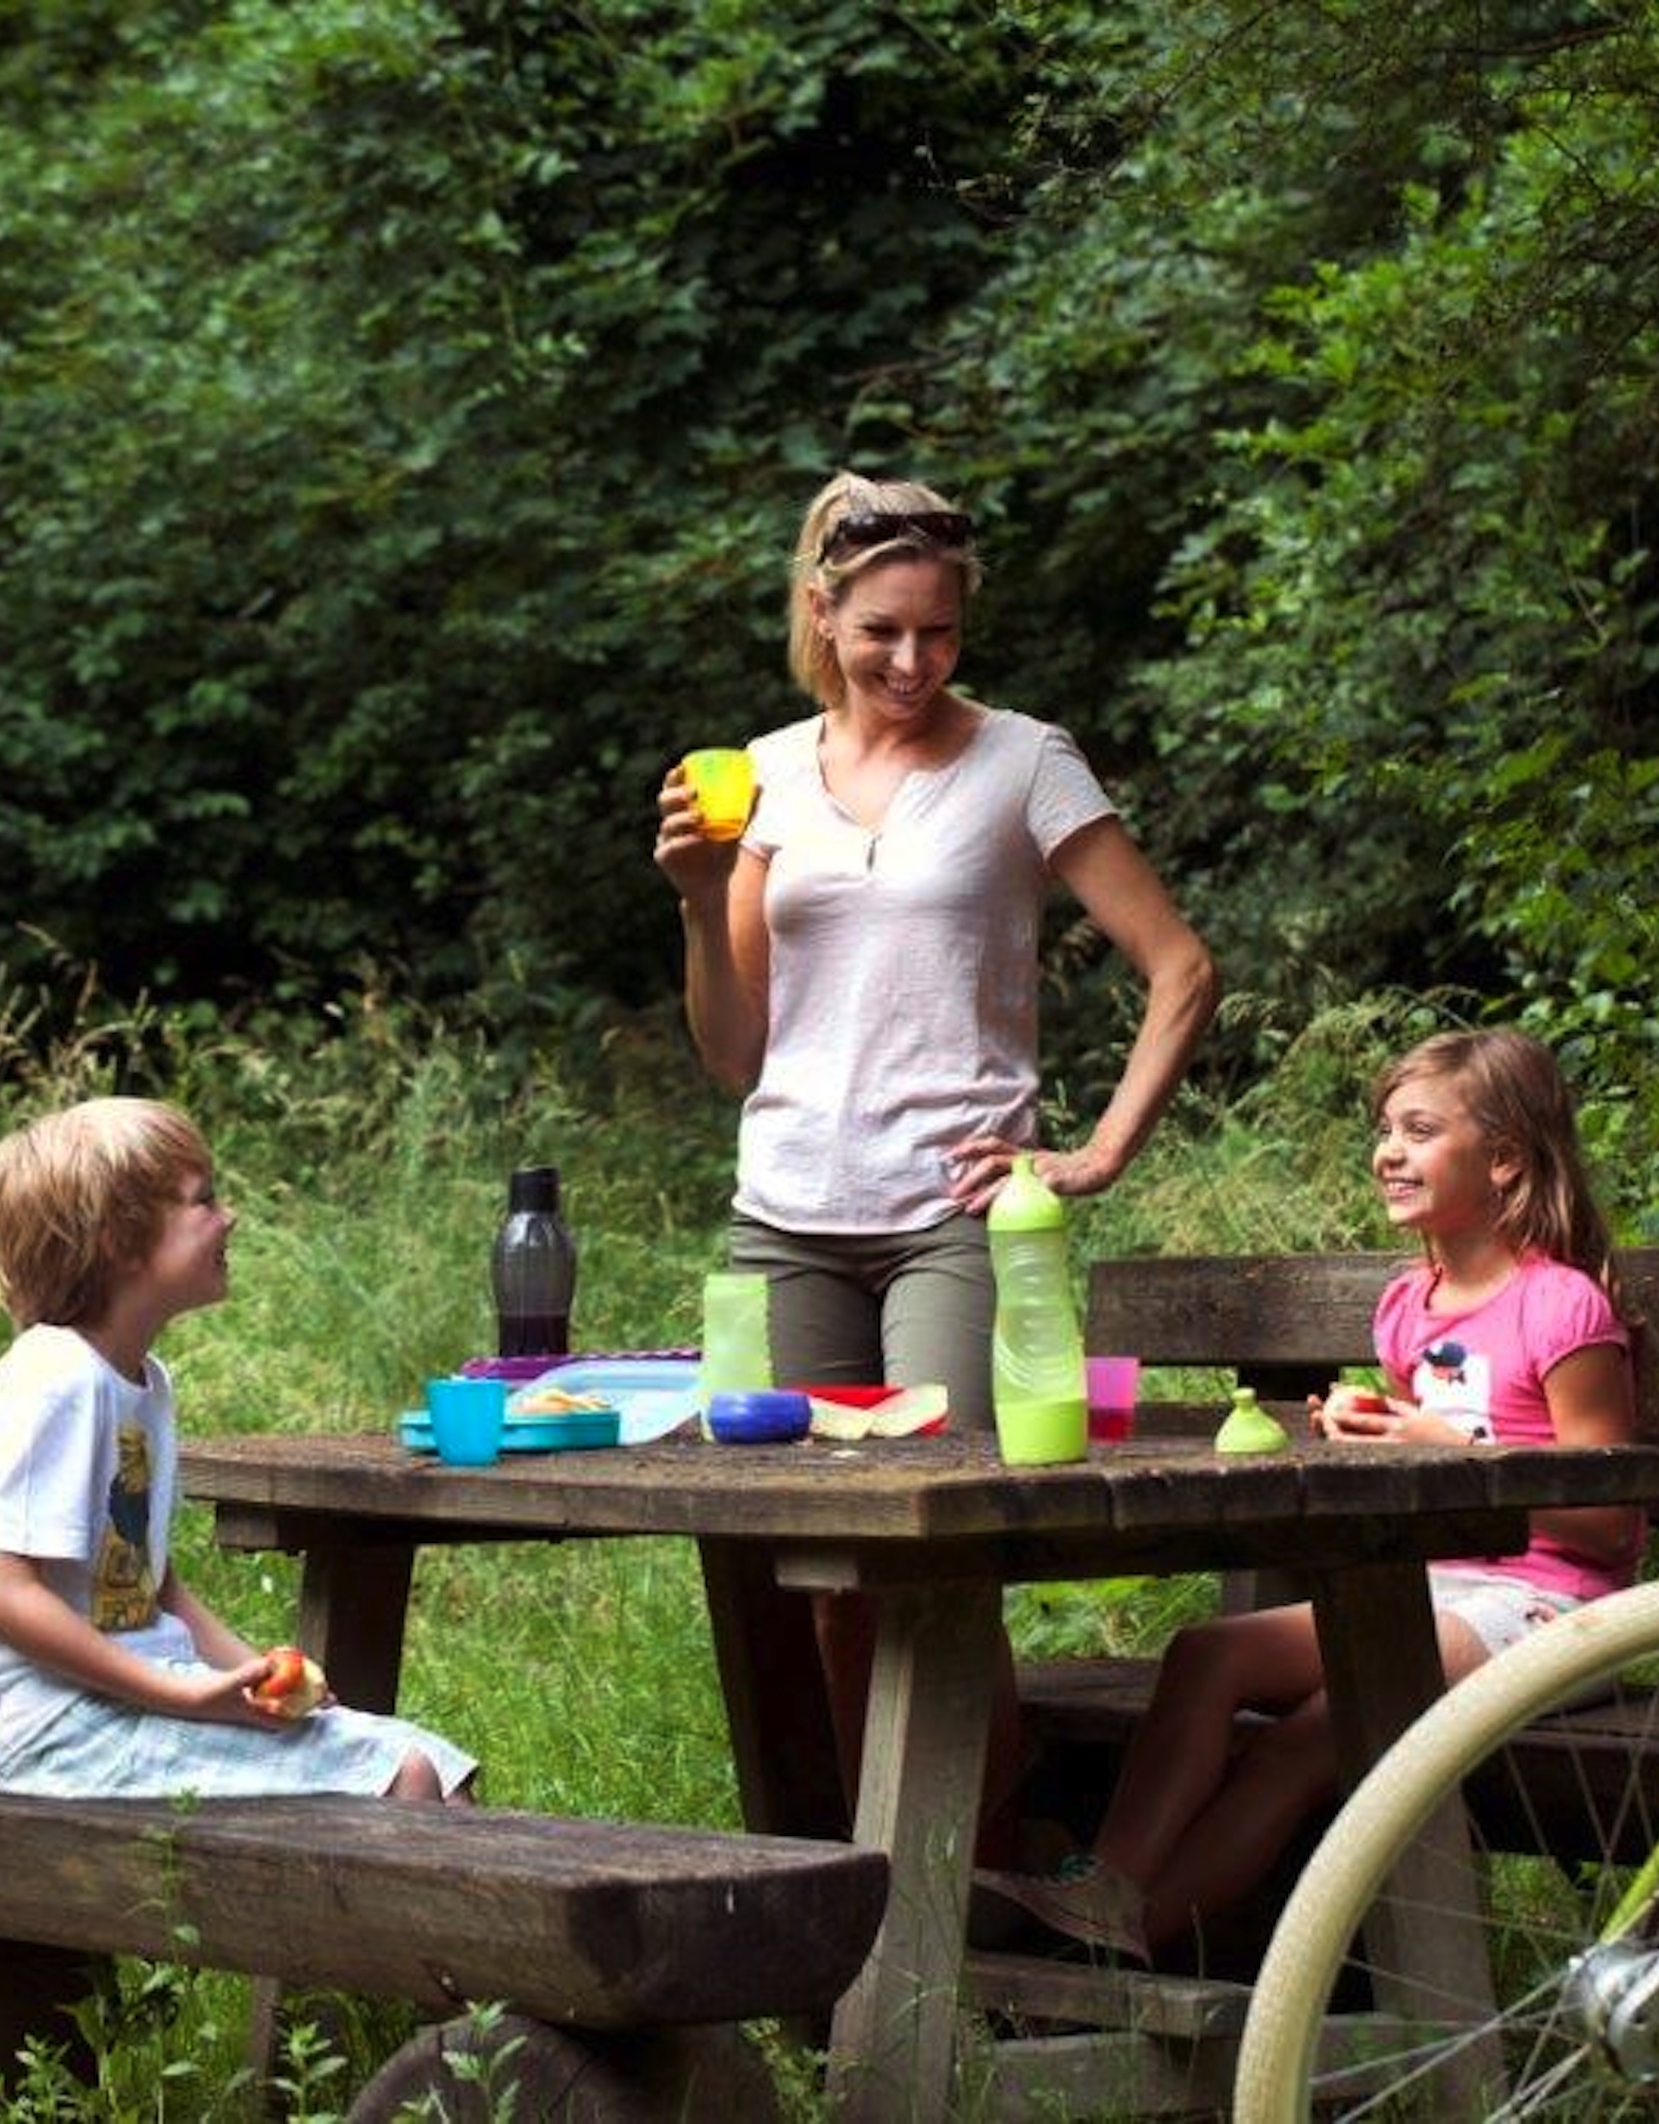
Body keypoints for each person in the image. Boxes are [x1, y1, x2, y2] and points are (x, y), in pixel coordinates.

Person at [651, 470, 1217, 1847]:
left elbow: (1181, 967)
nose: (913, 662)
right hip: (786, 1216)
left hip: (948, 1219)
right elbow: (736, 1052)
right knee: (818, 1574)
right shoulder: (764, 777)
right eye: (882, 632)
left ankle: (998, 1873)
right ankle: (877, 1882)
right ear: (820, 612)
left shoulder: (1023, 760)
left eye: (941, 633)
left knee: (934, 1545)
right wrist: (690, 897)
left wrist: (1095, 1153)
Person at [983, 1029, 1645, 1958]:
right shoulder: (1405, 1308)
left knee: (1328, 1723)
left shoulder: (1561, 1304)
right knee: (1206, 1654)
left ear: (1501, 1159)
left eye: (1418, 1131)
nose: (1388, 1151)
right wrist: (1373, 1439)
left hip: (1552, 1612)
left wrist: (1444, 1450)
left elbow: (1609, 1522)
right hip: (1434, 1592)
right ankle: (1106, 1891)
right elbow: (1422, 1465)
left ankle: (1123, 1947)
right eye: (1384, 1130)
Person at [0, 1096, 478, 1804]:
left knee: (431, 1760)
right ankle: (346, 1918)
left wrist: (260, 1677)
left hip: (129, 1702)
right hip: (61, 1727)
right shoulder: (56, 1379)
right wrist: (184, 1697)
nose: (229, 1217)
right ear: (118, 1244)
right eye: (203, 1200)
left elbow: (152, 1589)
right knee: (403, 1777)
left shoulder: (141, 1383)